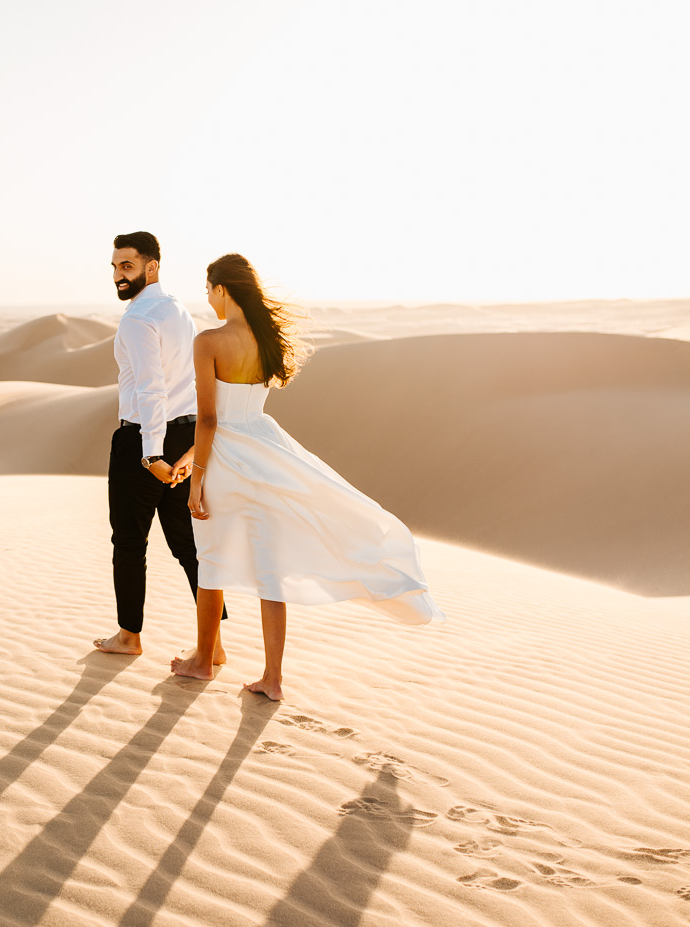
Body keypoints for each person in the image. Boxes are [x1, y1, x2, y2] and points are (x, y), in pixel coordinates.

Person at [170, 253, 444, 700]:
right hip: (266, 452)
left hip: (225, 462)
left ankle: (203, 661)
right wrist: (190, 457)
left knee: (212, 558)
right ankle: (272, 679)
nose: (207, 298)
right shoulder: (266, 339)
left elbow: (208, 419)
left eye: (207, 289)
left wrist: (196, 476)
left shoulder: (209, 341)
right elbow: (234, 417)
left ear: (222, 289)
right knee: (269, 569)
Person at [94, 232, 227, 659]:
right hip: (185, 435)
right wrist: (184, 448)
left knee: (130, 542)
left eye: (127, 266)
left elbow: (151, 390)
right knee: (189, 544)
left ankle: (129, 636)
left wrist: (151, 453)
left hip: (143, 440)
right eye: (115, 267)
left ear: (151, 267)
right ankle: (214, 645)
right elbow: (186, 381)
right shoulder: (176, 311)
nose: (118, 275)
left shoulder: (137, 319)